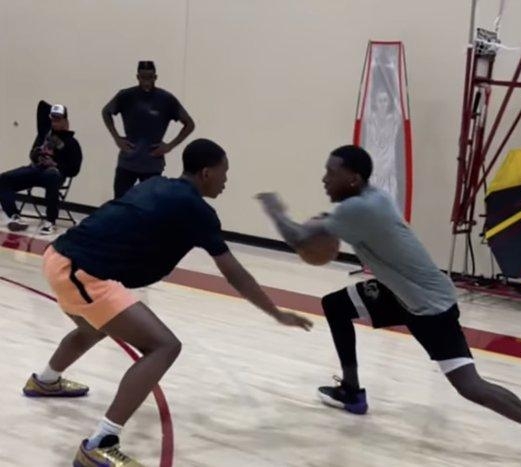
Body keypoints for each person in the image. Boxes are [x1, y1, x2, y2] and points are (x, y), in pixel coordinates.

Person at [256, 145, 521, 467]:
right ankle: (352, 392)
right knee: (336, 305)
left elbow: (300, 239)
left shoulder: (357, 210)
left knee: (469, 385)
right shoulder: (372, 198)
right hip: (399, 293)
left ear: (353, 178)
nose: (324, 179)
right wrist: (322, 222)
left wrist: (274, 209)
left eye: (331, 172)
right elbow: (327, 230)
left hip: (430, 306)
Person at [23, 138, 312, 466]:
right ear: (206, 173)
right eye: (224, 172)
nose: (226, 180)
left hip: (58, 256)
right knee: (164, 346)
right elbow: (234, 274)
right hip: (82, 272)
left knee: (93, 326)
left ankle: (45, 381)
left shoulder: (156, 184)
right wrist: (276, 313)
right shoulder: (197, 210)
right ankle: (100, 443)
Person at [102, 60, 195, 199]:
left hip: (152, 163)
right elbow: (106, 112)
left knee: (149, 203)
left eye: (150, 77)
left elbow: (189, 124)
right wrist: (116, 138)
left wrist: (170, 146)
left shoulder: (166, 99)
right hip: (128, 161)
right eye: (143, 77)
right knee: (120, 202)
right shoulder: (126, 96)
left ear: (155, 77)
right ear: (137, 77)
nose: (146, 82)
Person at [0, 102, 82, 235]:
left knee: (52, 176)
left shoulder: (72, 143)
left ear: (65, 121)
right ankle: (14, 216)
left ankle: (51, 221)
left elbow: (74, 169)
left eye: (58, 119)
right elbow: (32, 153)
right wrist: (38, 156)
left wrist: (55, 165)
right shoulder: (45, 135)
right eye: (53, 119)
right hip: (35, 170)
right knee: (4, 178)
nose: (54, 122)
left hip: (55, 174)